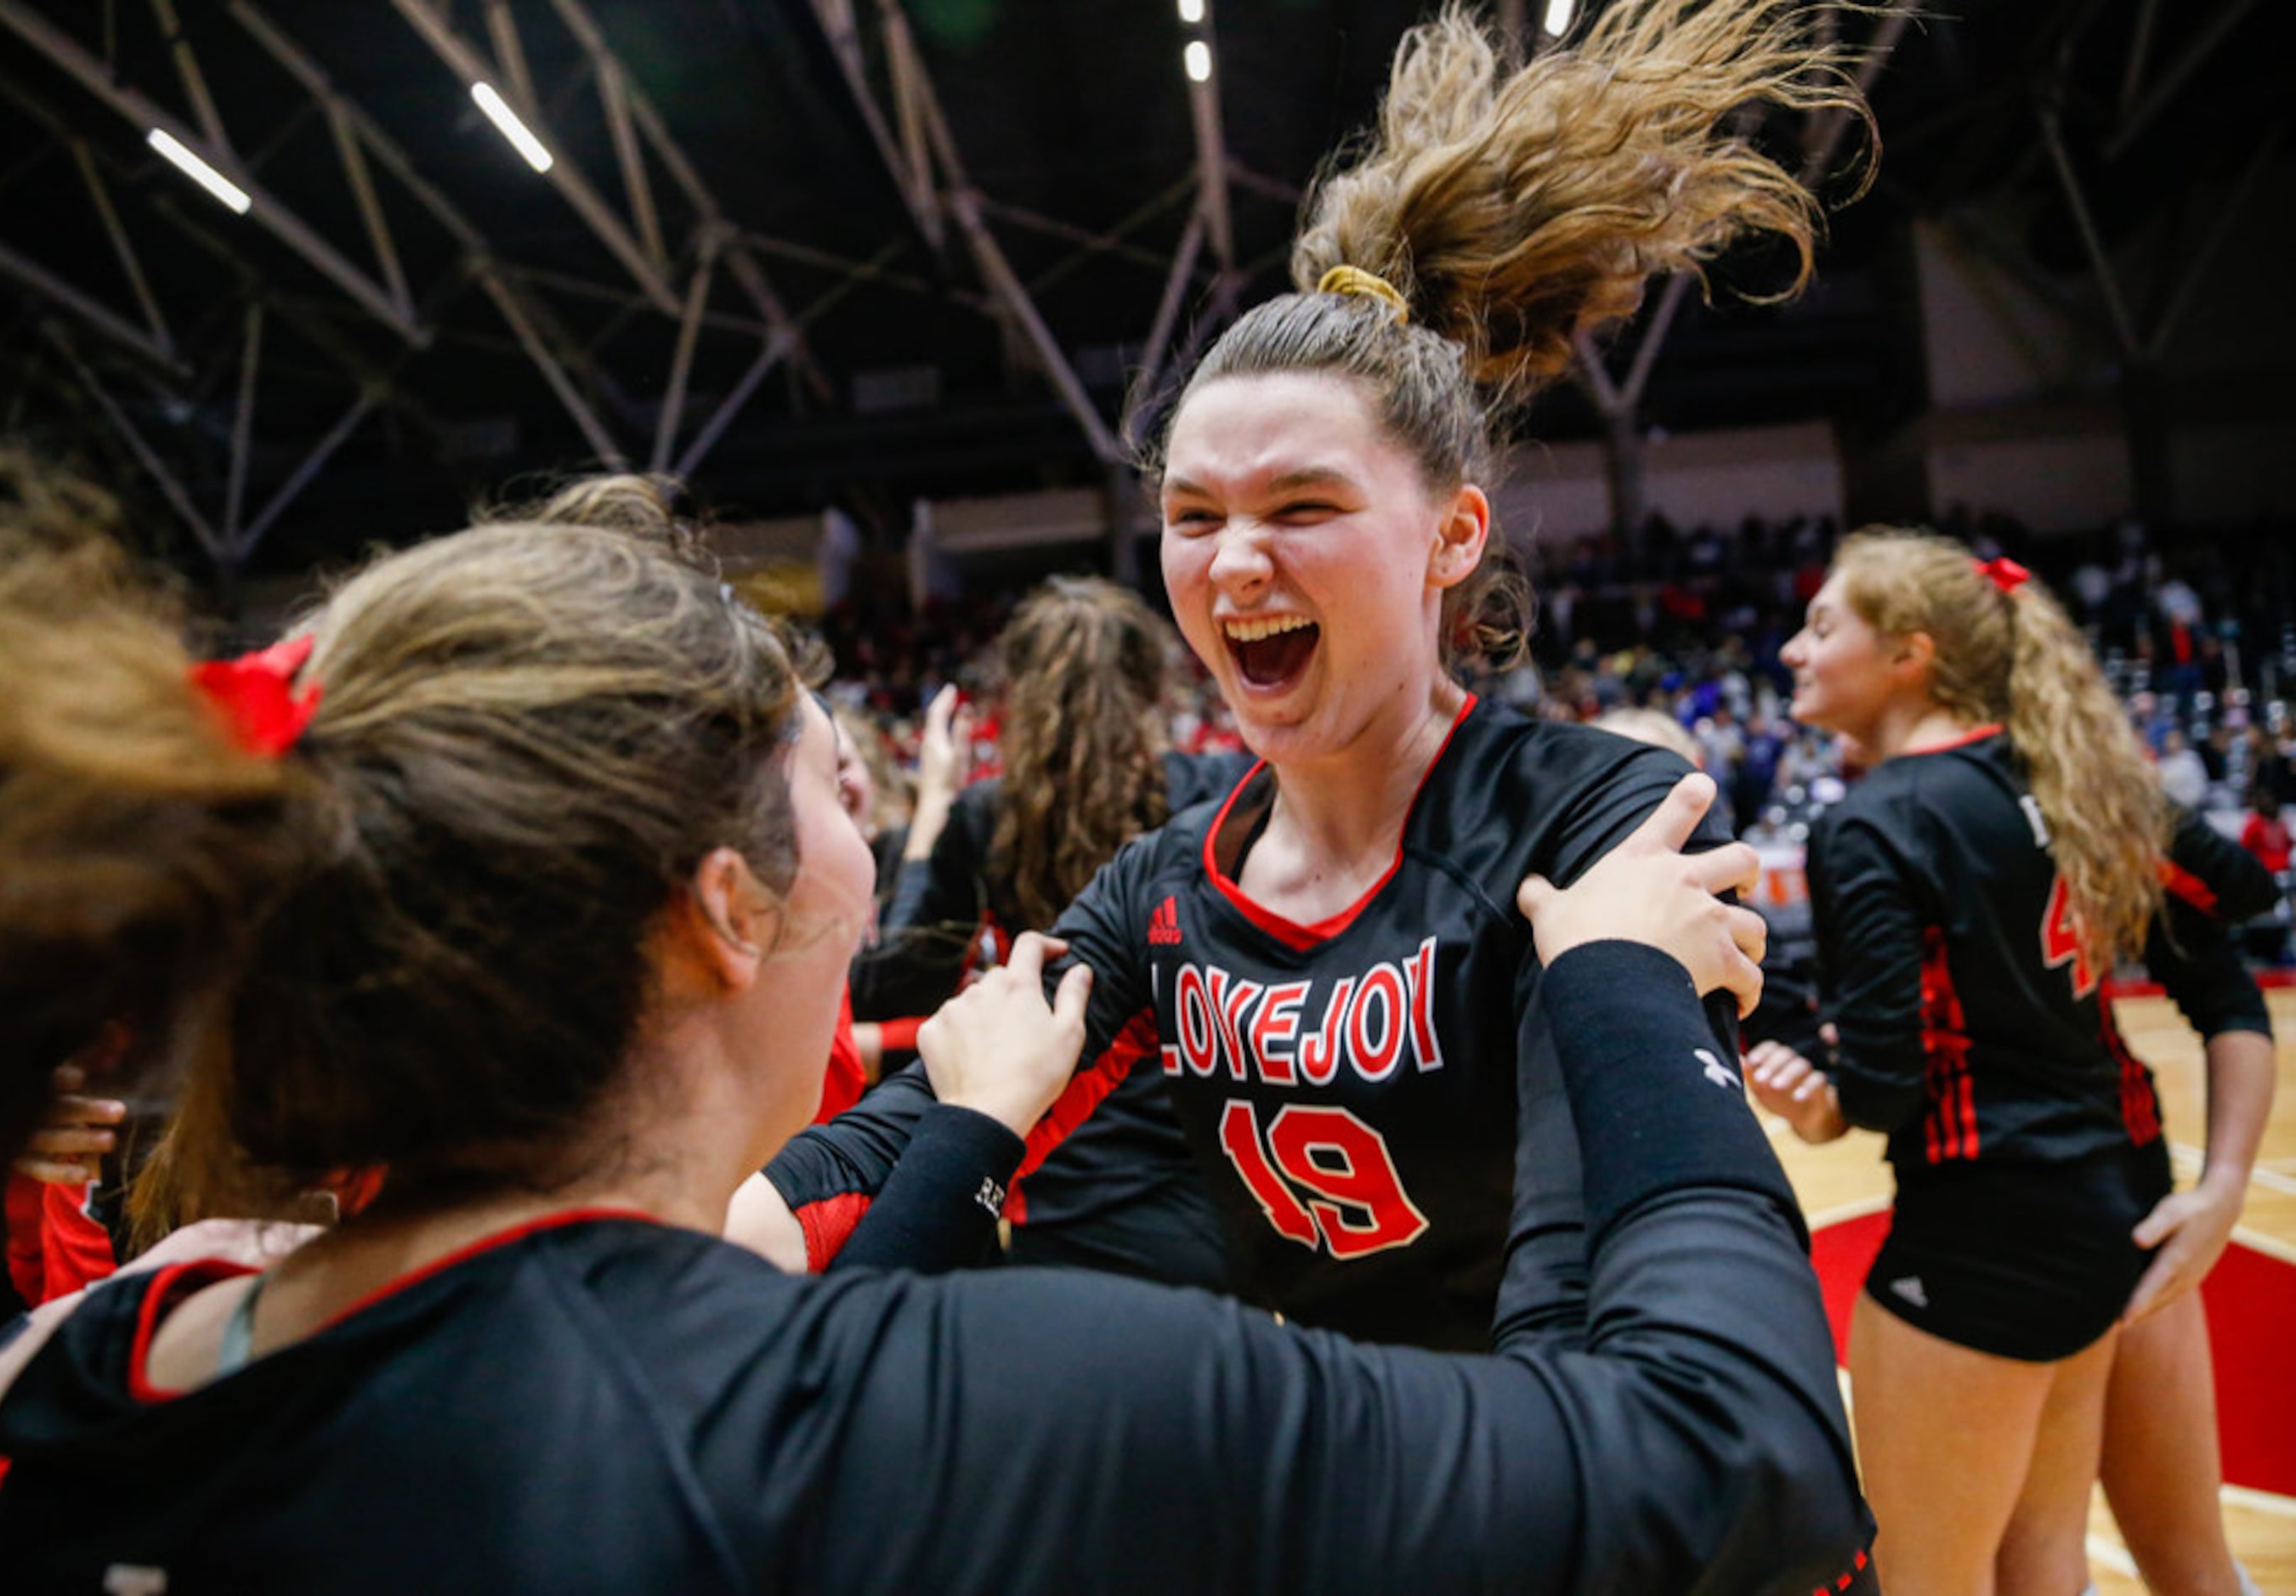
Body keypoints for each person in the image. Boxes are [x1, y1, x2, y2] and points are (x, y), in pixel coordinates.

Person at [0, 496, 1874, 1593]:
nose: (880, 837)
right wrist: (1615, 996)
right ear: (727, 903)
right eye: (837, 786)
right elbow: (1737, 1457)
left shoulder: (110, 1387)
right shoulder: (1006, 1409)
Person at [746, 0, 1870, 1350]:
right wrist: (706, 1226)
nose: (1233, 564)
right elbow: (915, 1119)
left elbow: (1644, 1301)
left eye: (1302, 507)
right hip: (1384, 1490)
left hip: (1607, 1505)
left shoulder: (1602, 823)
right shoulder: (1167, 887)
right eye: (1195, 515)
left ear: (1451, 536)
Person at [1747, 532, 2276, 1596]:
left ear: (1909, 653)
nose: (1791, 654)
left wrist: (1819, 1111)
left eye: (1819, 627)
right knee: (2085, 1568)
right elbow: (2236, 930)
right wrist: (2221, 1184)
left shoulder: (1875, 823)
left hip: (1984, 1232)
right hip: (2128, 1195)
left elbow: (1888, 1089)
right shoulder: (2073, 778)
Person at [872, 576, 1250, 1287]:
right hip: (1209, 1184)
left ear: (1019, 691)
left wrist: (932, 812)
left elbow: (903, 979)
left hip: (1049, 1186)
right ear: (1151, 687)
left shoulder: (983, 816)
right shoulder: (1218, 788)